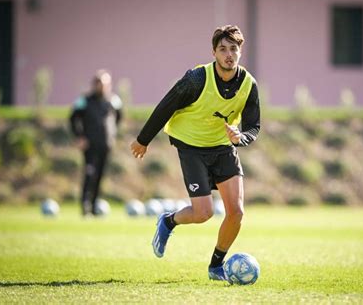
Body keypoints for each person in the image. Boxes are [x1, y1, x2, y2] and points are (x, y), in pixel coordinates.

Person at [130, 25, 260, 281]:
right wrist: (143, 140)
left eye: (233, 49)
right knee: (203, 213)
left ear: (240, 52)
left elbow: (254, 126)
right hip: (191, 146)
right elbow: (166, 105)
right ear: (213, 52)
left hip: (223, 147)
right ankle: (168, 222)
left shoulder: (248, 84)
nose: (228, 54)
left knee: (237, 213)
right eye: (222, 49)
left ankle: (215, 267)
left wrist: (240, 137)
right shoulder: (197, 78)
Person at [70, 70, 123, 216]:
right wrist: (79, 136)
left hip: (106, 145)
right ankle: (85, 207)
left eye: (105, 83)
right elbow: (73, 118)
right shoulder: (85, 100)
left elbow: (119, 117)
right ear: (94, 84)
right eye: (99, 83)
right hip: (90, 146)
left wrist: (112, 134)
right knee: (89, 175)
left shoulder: (113, 100)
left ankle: (94, 207)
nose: (102, 86)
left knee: (100, 176)